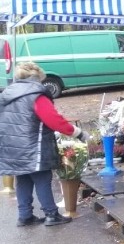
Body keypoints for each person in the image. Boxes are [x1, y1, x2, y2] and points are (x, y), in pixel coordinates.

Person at [0, 62, 89, 226]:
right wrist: (79, 133)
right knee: (42, 178)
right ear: (37, 77)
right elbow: (53, 120)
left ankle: (25, 215)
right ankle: (51, 214)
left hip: (11, 146)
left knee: (23, 179)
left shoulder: (6, 94)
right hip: (33, 145)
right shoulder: (37, 95)